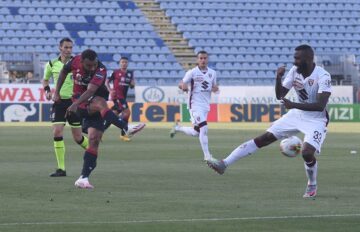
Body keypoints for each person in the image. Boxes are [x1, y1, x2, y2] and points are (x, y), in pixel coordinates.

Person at [207, 45, 332, 198]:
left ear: (308, 59)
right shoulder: (294, 71)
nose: (295, 61)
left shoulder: (323, 76)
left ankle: (312, 184)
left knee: (306, 153)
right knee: (264, 138)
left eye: (298, 58)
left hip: (316, 119)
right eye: (295, 58)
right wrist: (278, 78)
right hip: (296, 114)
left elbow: (320, 105)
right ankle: (223, 164)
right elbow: (280, 95)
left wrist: (292, 104)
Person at [54, 49, 145, 189]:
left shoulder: (101, 69)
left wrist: (74, 105)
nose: (92, 68)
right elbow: (63, 72)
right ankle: (126, 128)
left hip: (88, 101)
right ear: (82, 61)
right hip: (80, 100)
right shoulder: (75, 60)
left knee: (94, 141)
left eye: (94, 64)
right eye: (89, 65)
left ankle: (83, 178)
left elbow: (90, 90)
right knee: (101, 104)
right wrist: (57, 92)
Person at [42, 37, 88, 177]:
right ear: (60, 48)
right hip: (59, 102)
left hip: (74, 103)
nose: (68, 50)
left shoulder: (78, 63)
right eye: (66, 47)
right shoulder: (52, 64)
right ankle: (61, 169)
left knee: (78, 138)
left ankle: (93, 149)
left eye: (70, 48)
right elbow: (45, 79)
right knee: (57, 132)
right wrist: (48, 91)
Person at [170, 50, 219, 161]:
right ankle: (207, 156)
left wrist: (215, 89)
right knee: (204, 127)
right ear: (197, 60)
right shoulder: (192, 72)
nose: (203, 60)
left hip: (205, 106)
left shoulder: (212, 73)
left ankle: (178, 128)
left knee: (197, 132)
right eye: (201, 58)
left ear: (207, 59)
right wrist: (184, 87)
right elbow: (181, 83)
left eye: (205, 58)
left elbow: (213, 87)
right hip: (194, 105)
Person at [105, 57, 135, 141]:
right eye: (122, 62)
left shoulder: (130, 73)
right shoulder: (115, 72)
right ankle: (124, 133)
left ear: (127, 63)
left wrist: (132, 84)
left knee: (112, 115)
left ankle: (100, 131)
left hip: (123, 96)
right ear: (120, 63)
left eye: (125, 62)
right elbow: (107, 82)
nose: (124, 63)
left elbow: (132, 86)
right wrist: (110, 90)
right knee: (127, 112)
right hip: (117, 96)